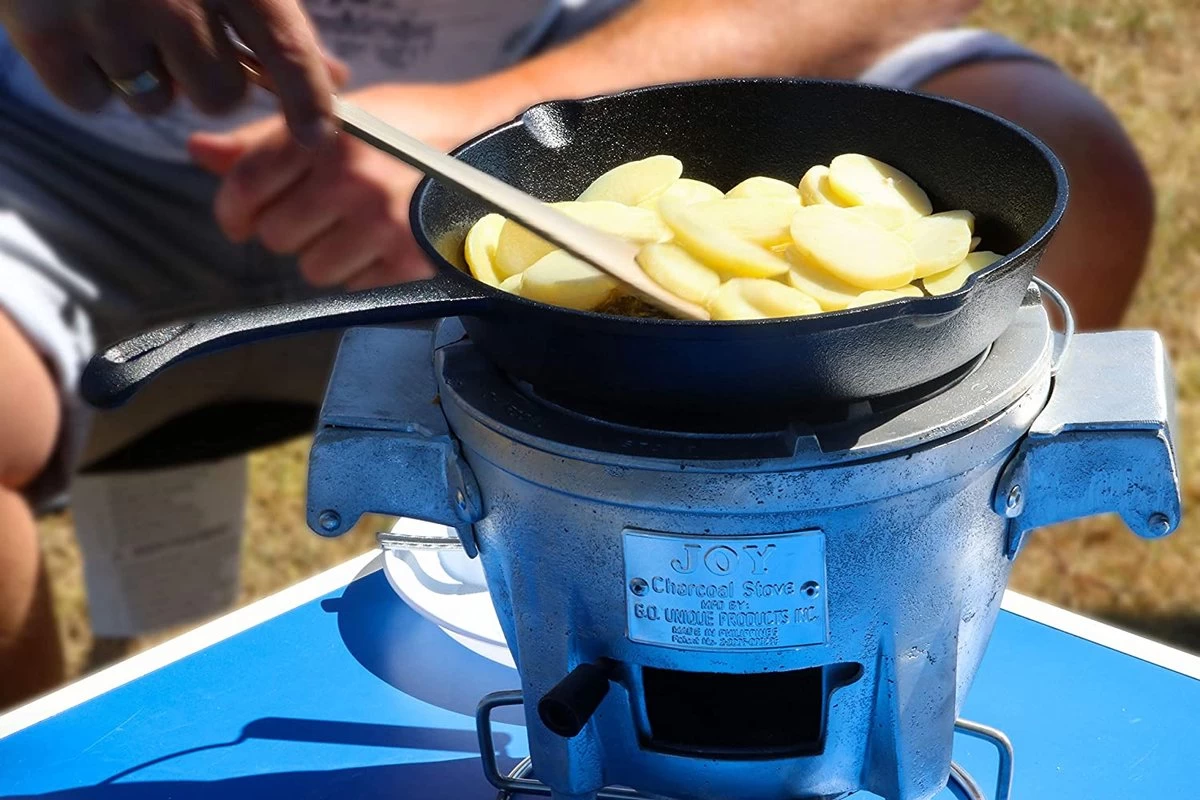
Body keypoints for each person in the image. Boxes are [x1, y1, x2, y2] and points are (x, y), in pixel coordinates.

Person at [0, 0, 1153, 710]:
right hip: (65, 160)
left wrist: (495, 132)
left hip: (553, 90)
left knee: (1065, 154)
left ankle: (911, 628)